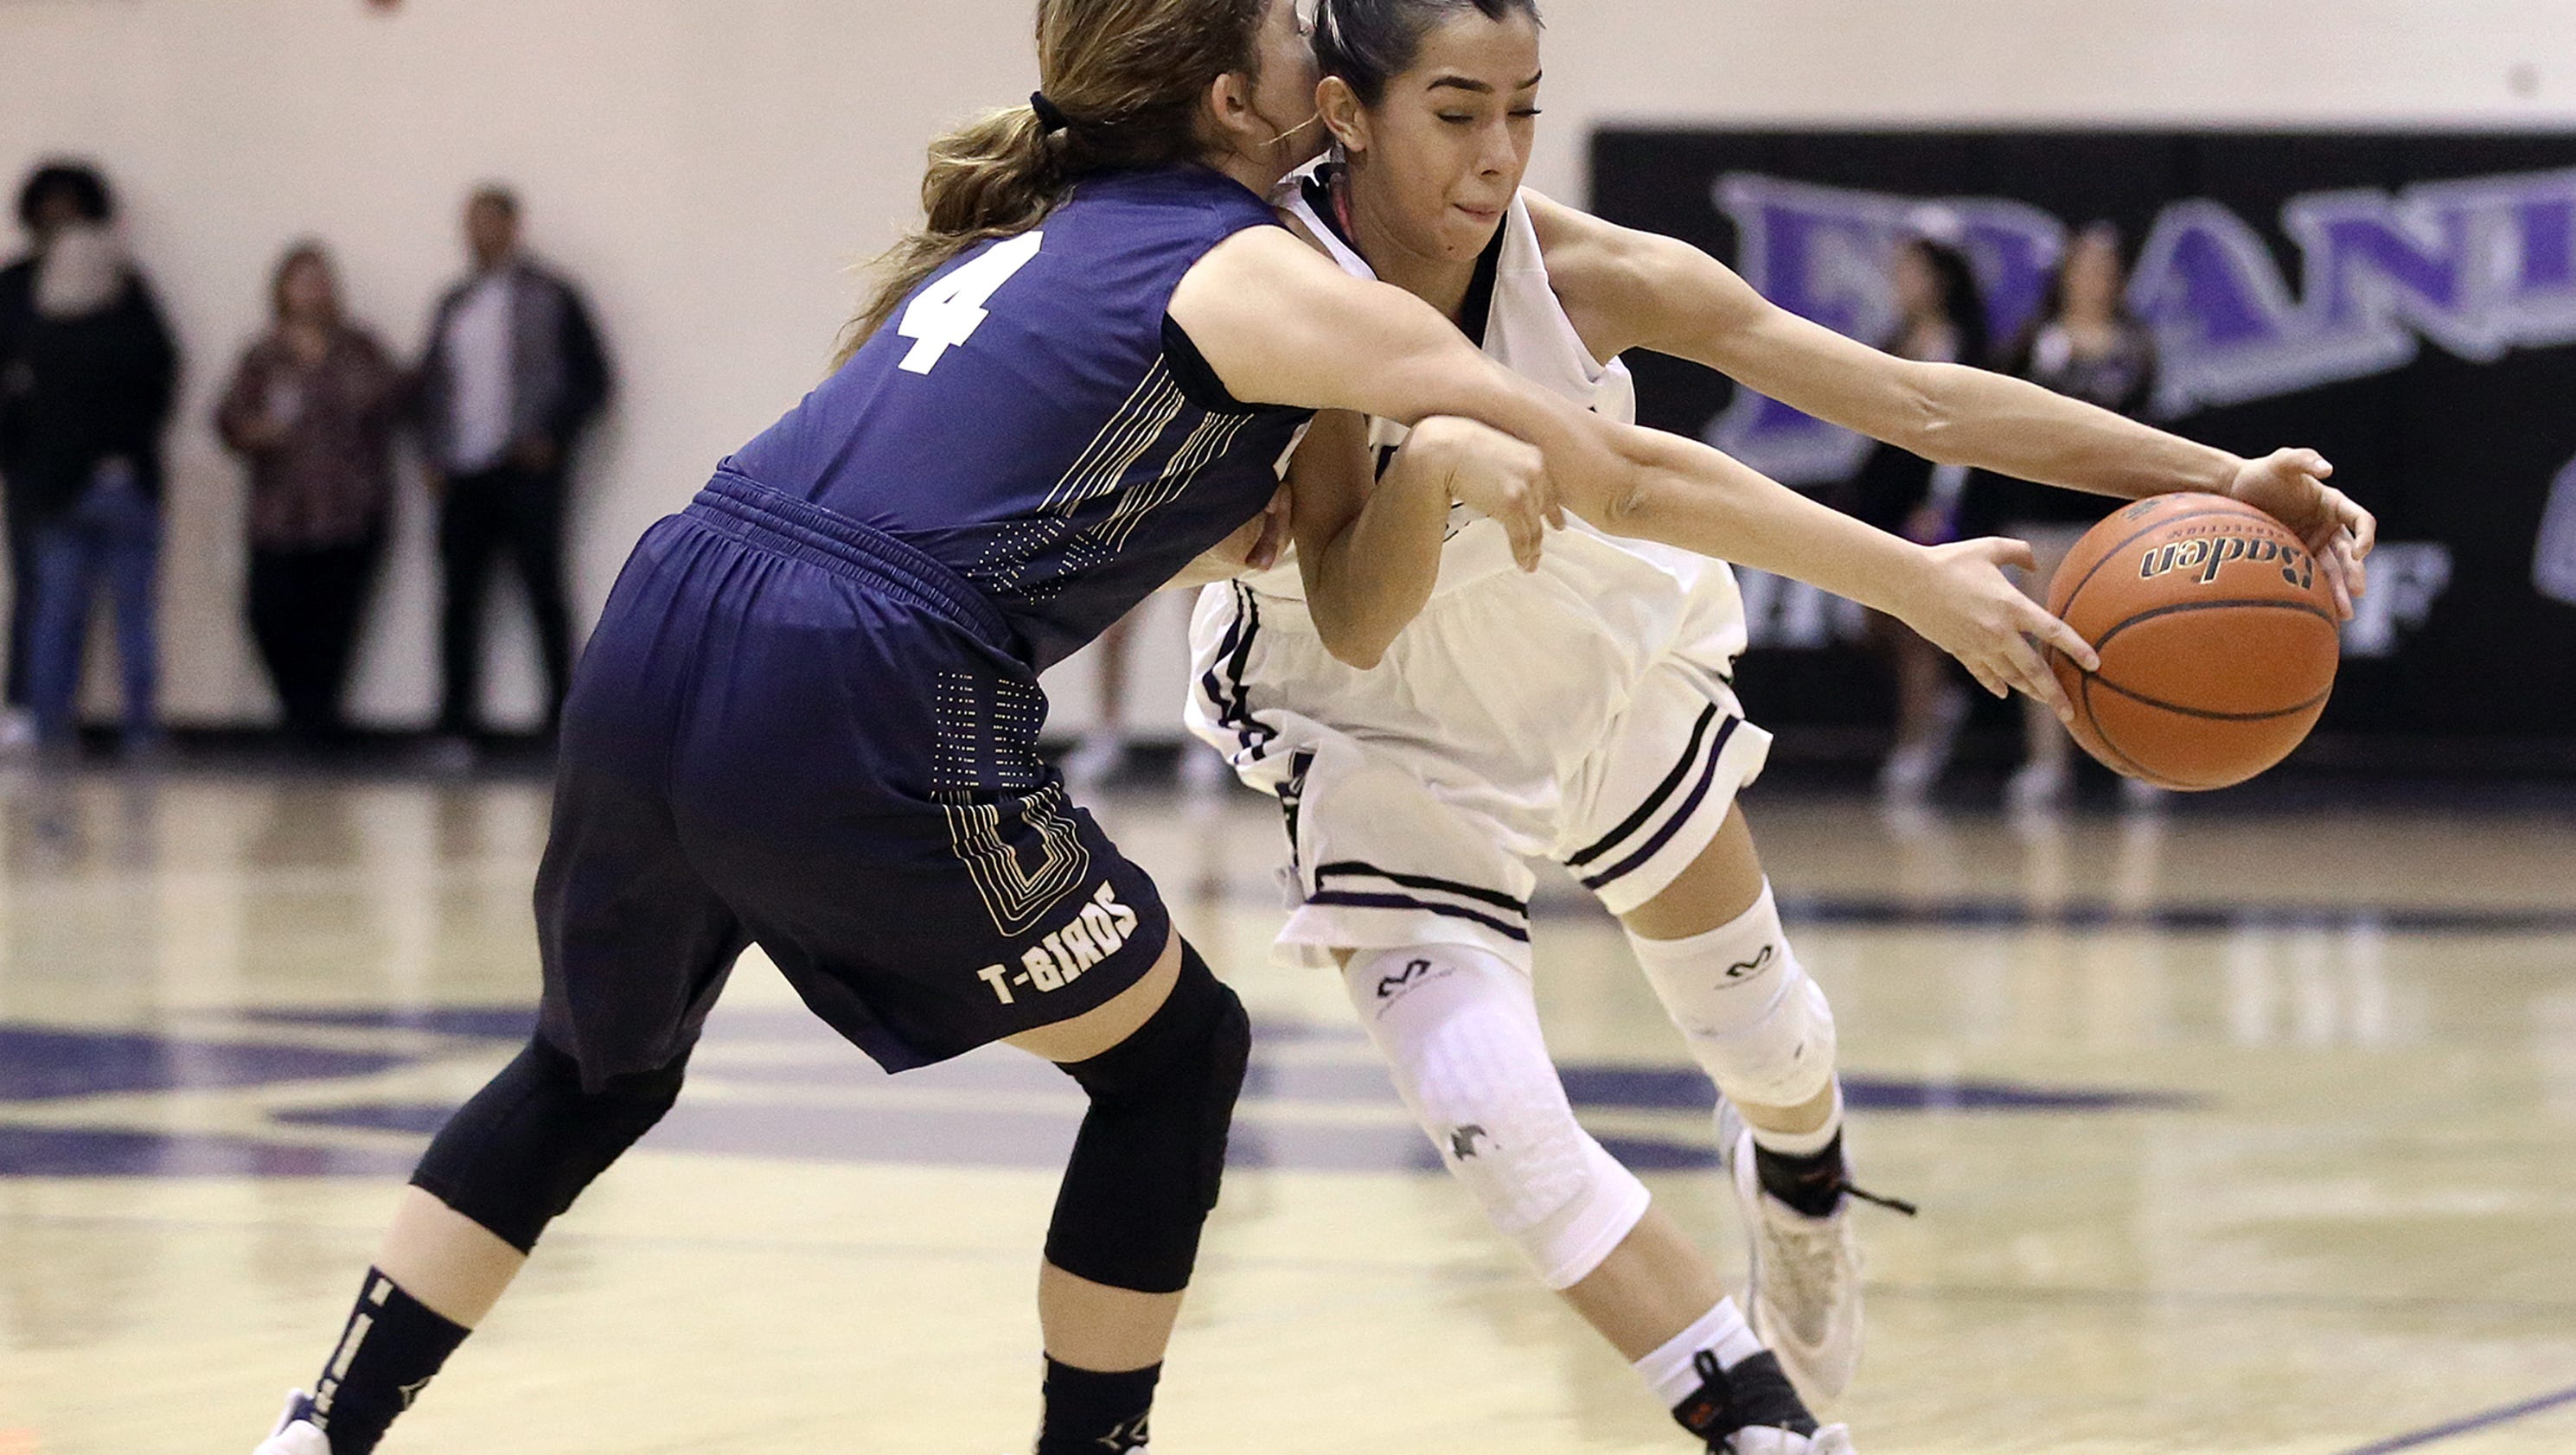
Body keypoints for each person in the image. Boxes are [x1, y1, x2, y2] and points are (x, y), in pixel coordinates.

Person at [246, 0, 2078, 1448]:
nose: (1331, 53)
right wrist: (1889, 570)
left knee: (592, 1070)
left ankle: (317, 1425)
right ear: (1235, 99)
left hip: (671, 597)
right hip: (869, 672)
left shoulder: (1043, 235)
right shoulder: (1278, 271)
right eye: (1303, 39)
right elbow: (1606, 462)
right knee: (1177, 1055)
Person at [1183, 1, 2375, 1446]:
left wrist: (2223, 474)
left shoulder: (1581, 270)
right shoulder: (1269, 275)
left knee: (1764, 1042)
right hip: (1370, 707)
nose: (1495, 154)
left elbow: (1913, 404)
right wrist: (1904, 582)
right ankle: (1760, 1421)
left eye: (1523, 107)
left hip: (1576, 630)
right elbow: (1367, 617)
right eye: (1454, 110)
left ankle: (1801, 1178)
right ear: (1345, 111)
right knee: (1500, 1125)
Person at [1963, 222, 2162, 812]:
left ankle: (2139, 754)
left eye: (2104, 269)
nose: (2092, 279)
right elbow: (2006, 418)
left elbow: (2148, 430)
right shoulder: (2037, 339)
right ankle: (2045, 762)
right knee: (2042, 638)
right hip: (2043, 514)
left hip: (2115, 518)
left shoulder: (2134, 344)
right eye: (2083, 267)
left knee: (2132, 638)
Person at [413, 184, 610, 746]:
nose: (480, 232)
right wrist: (432, 452)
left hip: (527, 472)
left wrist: (552, 437)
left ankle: (563, 724)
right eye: (471, 222)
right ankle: (455, 726)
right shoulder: (455, 303)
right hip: (463, 473)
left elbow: (594, 380)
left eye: (490, 221)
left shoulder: (553, 295)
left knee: (544, 592)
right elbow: (431, 386)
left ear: (513, 226)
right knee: (458, 600)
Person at [0, 162, 180, 757]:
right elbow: (158, 386)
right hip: (113, 484)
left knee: (55, 614)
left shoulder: (41, 339)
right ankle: (139, 730)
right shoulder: (128, 324)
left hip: (57, 488)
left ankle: (49, 727)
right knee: (128, 616)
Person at [216, 243, 404, 746]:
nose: (311, 292)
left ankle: (318, 725)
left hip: (349, 507)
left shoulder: (359, 348)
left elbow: (393, 401)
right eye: (301, 282)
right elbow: (228, 419)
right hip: (280, 510)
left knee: (334, 622)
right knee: (269, 611)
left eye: (320, 281)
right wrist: (258, 432)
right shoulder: (263, 354)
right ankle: (298, 713)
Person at [1846, 235, 1991, 801]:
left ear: (1939, 278)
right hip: (1884, 491)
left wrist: (1942, 503)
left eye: (1911, 271)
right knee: (1874, 616)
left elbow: (1962, 433)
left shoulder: (1964, 345)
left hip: (1935, 496)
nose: (1900, 281)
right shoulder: (1893, 339)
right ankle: (1941, 700)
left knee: (1915, 629)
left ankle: (1916, 743)